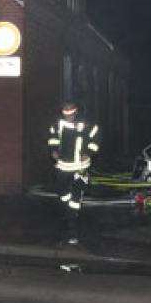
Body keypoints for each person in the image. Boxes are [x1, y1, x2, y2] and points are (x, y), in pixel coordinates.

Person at [47, 101, 100, 245]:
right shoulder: (58, 124)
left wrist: (88, 153)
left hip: (80, 167)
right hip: (63, 165)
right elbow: (53, 139)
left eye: (71, 114)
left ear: (76, 113)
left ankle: (73, 226)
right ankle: (68, 213)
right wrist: (53, 151)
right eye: (66, 114)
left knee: (75, 198)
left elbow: (95, 140)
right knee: (62, 193)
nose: (68, 117)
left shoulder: (87, 125)